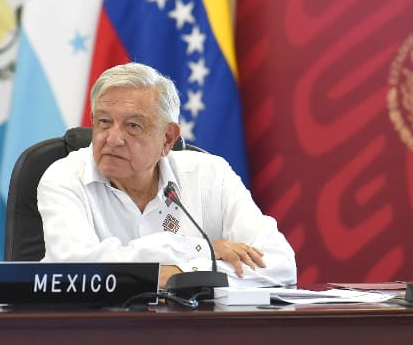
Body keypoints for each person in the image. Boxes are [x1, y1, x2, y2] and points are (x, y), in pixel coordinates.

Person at [38, 62, 297, 287]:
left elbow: (279, 264)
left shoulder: (210, 176)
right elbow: (74, 269)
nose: (113, 139)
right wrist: (202, 250)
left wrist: (181, 275)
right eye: (104, 122)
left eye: (133, 126)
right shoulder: (64, 178)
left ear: (168, 138)